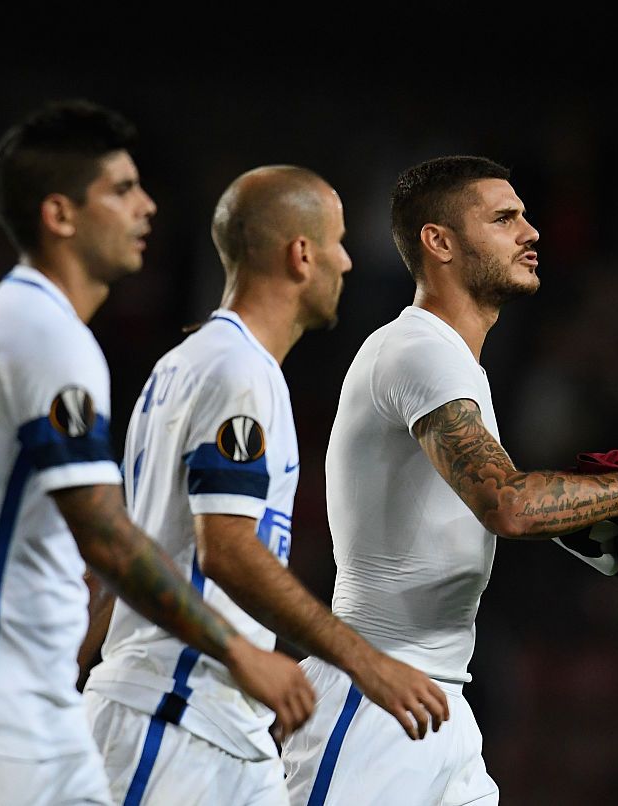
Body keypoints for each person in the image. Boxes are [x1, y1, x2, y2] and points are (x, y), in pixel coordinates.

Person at [0, 99, 314, 805]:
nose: (147, 207)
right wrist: (240, 652)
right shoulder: (48, 340)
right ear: (60, 215)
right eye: (121, 190)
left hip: (37, 714)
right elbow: (107, 538)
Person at [280, 155, 618, 805]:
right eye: (504, 219)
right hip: (374, 705)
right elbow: (508, 504)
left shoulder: (454, 363)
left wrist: (587, 520)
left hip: (439, 704)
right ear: (439, 241)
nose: (531, 232)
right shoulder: (418, 349)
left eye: (526, 217)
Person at [79, 164, 451, 805]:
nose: (348, 262)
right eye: (336, 242)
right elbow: (225, 548)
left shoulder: (185, 366)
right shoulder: (239, 375)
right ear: (300, 255)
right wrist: (365, 663)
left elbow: (134, 555)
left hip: (221, 727)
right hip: (173, 720)